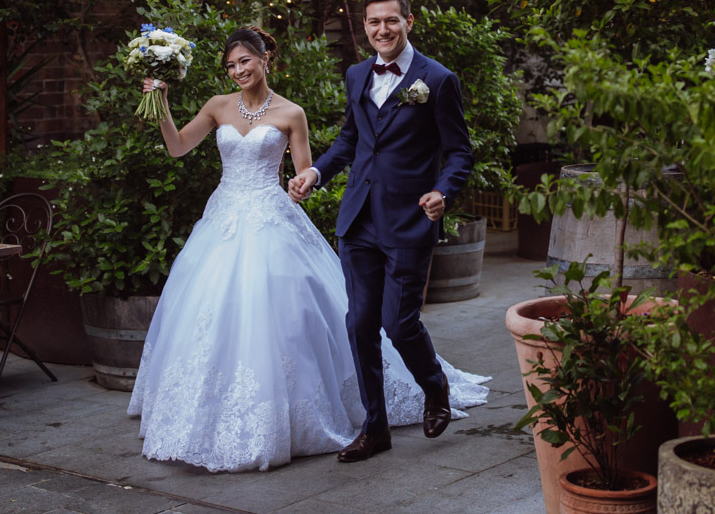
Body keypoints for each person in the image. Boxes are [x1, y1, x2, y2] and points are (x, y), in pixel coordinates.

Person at [127, 26, 487, 473]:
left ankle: (367, 407)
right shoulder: (217, 107)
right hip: (222, 221)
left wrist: (303, 185)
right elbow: (178, 147)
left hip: (271, 218)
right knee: (211, 313)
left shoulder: (291, 113)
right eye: (231, 65)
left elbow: (306, 173)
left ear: (264, 60)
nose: (238, 71)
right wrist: (159, 102)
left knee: (298, 318)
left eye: (245, 61)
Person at [288, 0, 472, 462]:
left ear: (409, 21)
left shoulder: (438, 79)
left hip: (409, 219)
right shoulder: (355, 75)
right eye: (373, 22)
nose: (382, 30)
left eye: (391, 21)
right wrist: (316, 171)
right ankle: (375, 428)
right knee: (360, 324)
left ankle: (435, 386)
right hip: (358, 220)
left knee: (399, 322)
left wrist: (443, 192)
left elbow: (458, 153)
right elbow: (351, 140)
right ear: (365, 27)